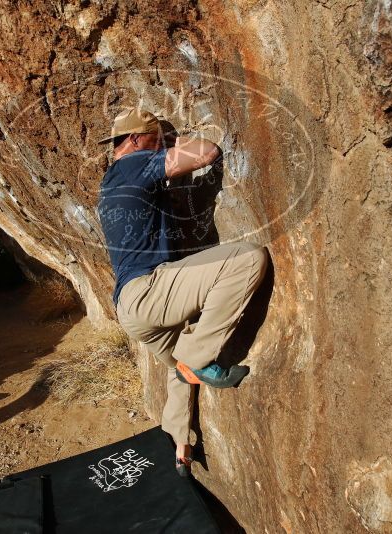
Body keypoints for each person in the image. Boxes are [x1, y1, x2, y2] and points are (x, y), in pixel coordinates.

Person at [96, 107, 268, 476]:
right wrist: (172, 145)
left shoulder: (110, 180)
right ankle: (198, 360)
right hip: (149, 291)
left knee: (180, 366)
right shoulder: (134, 164)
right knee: (248, 258)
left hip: (133, 310)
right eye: (156, 139)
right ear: (136, 140)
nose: (160, 146)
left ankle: (179, 444)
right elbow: (207, 151)